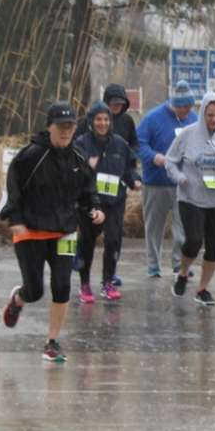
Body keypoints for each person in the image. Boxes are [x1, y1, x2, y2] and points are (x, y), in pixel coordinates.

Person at [0, 102, 104, 362]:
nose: (66, 131)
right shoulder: (31, 156)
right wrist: (14, 218)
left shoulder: (78, 157)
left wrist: (95, 208)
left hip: (65, 230)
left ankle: (52, 342)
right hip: (31, 230)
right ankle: (18, 300)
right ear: (50, 127)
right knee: (35, 291)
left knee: (62, 286)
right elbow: (13, 189)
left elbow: (88, 188)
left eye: (70, 126)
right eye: (61, 126)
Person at [164, 91, 215, 307]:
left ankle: (202, 289)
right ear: (202, 114)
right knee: (193, 241)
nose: (214, 120)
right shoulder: (188, 134)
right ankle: (182, 273)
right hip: (190, 197)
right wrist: (179, 177)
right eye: (210, 115)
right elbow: (170, 162)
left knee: (213, 248)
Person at [74, 101, 140, 303]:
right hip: (91, 200)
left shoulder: (120, 143)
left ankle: (107, 282)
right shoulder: (81, 143)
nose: (102, 123)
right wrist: (87, 164)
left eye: (106, 119)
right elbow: (72, 170)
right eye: (98, 119)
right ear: (91, 122)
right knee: (87, 241)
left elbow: (128, 167)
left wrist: (134, 180)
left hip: (115, 200)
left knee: (113, 240)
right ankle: (84, 284)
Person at [136, 80, 198, 277]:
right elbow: (138, 144)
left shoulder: (194, 119)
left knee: (183, 226)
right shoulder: (152, 118)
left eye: (190, 107)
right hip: (156, 182)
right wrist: (154, 157)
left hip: (183, 184)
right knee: (154, 226)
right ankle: (153, 265)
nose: (187, 112)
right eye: (184, 107)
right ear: (175, 104)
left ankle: (179, 264)